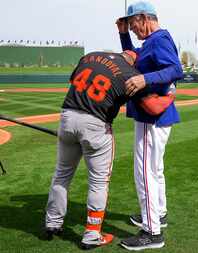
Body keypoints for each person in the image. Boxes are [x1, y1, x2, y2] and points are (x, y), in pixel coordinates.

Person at [44, 50, 174, 250]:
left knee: (61, 174)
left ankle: (53, 223)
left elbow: (75, 81)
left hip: (67, 116)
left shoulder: (90, 56)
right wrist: (171, 96)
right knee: (98, 181)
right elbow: (153, 108)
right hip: (96, 124)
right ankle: (92, 234)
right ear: (134, 62)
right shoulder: (130, 73)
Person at [116, 1, 183, 250]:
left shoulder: (158, 39)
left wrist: (146, 78)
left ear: (145, 18)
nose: (133, 29)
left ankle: (152, 232)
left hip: (151, 117)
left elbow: (176, 69)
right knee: (154, 170)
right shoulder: (152, 41)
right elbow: (134, 59)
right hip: (159, 116)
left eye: (133, 24)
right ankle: (160, 214)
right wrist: (123, 35)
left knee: (144, 173)